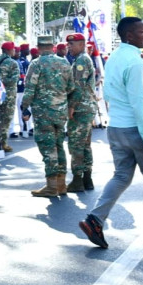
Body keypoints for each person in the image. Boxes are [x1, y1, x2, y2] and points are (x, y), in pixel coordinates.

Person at [79, 17, 143, 249]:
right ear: (129, 36)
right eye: (142, 32)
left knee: (121, 176)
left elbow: (110, 94)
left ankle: (94, 219)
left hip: (117, 128)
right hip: (138, 129)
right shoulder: (135, 63)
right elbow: (138, 104)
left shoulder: (115, 58)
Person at [21, 35, 77, 198]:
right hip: (60, 112)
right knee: (59, 146)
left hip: (43, 113)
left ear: (38, 47)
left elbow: (30, 88)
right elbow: (71, 86)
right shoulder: (64, 62)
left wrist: (25, 107)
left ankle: (51, 186)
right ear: (52, 46)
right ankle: (61, 184)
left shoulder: (36, 64)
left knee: (48, 148)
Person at [64, 33, 96, 193]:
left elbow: (78, 86)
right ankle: (87, 178)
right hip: (86, 108)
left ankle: (77, 180)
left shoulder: (82, 60)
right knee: (85, 145)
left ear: (82, 44)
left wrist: (71, 107)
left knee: (76, 144)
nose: (69, 47)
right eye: (68, 44)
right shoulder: (82, 59)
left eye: (72, 44)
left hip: (81, 108)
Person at [0, 41, 21, 153]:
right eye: (13, 49)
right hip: (8, 95)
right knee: (6, 120)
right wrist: (1, 81)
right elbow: (14, 80)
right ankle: (2, 143)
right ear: (9, 50)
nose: (14, 51)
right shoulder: (13, 63)